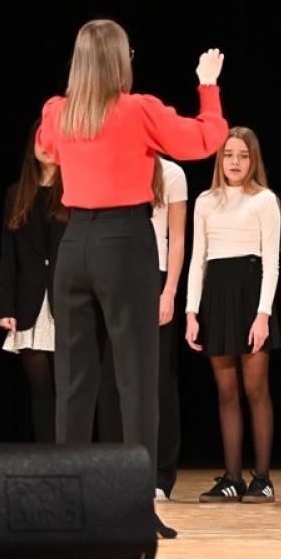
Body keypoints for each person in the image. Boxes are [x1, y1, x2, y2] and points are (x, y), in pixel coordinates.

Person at [36, 19, 228, 539]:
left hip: (74, 242)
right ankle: (134, 506)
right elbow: (205, 139)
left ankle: (68, 505)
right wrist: (208, 86)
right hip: (123, 242)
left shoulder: (58, 111)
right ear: (119, 60)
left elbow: (46, 146)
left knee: (74, 383)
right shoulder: (137, 109)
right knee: (136, 379)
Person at [186, 127, 281, 504]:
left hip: (251, 295)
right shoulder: (205, 201)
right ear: (219, 159)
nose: (235, 162)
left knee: (255, 390)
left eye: (243, 155)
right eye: (228, 155)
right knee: (226, 393)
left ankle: (263, 478)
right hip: (217, 296)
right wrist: (192, 312)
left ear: (253, 159)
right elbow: (198, 260)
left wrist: (263, 314)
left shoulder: (265, 200)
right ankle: (231, 477)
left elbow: (272, 262)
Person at [94, 156, 188, 500]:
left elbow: (177, 237)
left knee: (157, 378)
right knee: (110, 377)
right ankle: (114, 470)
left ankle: (159, 474)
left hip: (155, 276)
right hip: (115, 276)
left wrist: (169, 292)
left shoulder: (172, 173)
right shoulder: (115, 165)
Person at [0, 126, 68, 445]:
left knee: (69, 388)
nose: (46, 145)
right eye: (41, 138)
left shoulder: (74, 190)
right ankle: (48, 456)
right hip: (29, 303)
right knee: (40, 389)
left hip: (66, 301)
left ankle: (70, 456)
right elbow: (9, 254)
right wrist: (6, 306)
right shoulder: (16, 193)